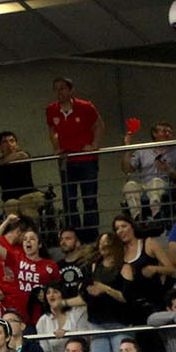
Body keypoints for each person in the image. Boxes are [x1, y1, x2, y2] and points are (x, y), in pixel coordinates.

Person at [46, 77, 101, 235]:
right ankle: (73, 234)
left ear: (71, 90)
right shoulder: (51, 109)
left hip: (86, 160)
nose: (59, 92)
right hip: (66, 160)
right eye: (56, 89)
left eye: (62, 88)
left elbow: (99, 125)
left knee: (89, 198)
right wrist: (56, 147)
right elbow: (52, 130)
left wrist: (94, 145)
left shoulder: (86, 107)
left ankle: (91, 235)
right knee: (69, 200)